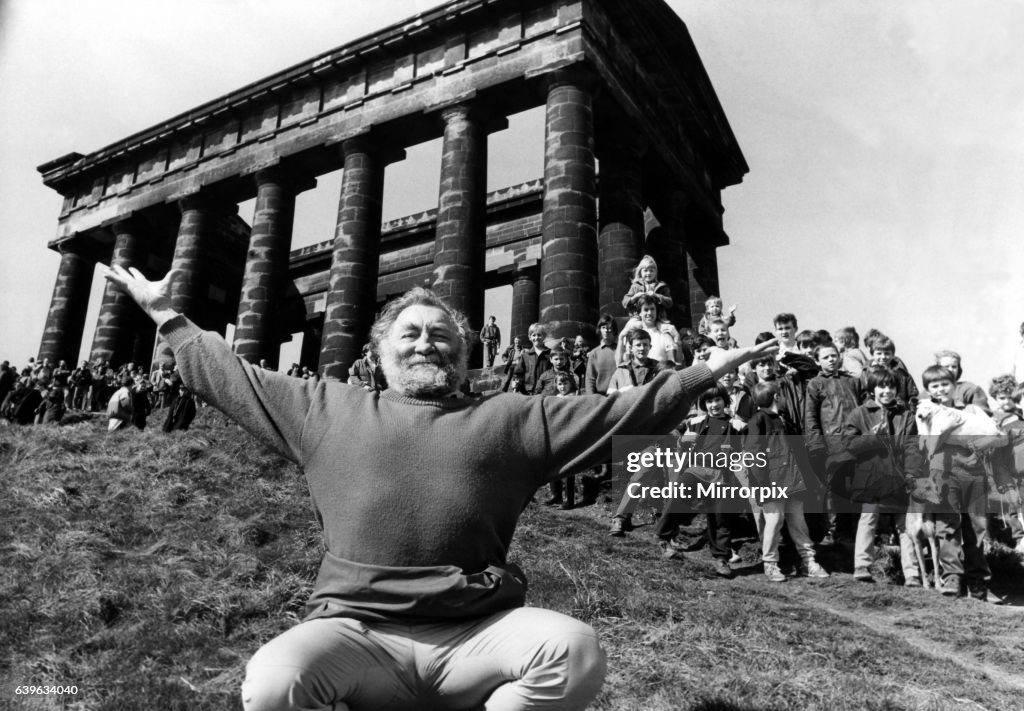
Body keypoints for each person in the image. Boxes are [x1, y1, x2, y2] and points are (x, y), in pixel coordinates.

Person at [104, 263, 776, 711]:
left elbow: (617, 413)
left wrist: (701, 373)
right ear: (378, 352)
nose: (427, 344)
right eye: (411, 333)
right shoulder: (324, 409)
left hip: (475, 636)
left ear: (463, 354)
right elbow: (231, 377)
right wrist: (168, 317)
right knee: (274, 679)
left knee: (573, 650)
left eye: (442, 336)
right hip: (356, 633)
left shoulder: (510, 417)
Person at [920, 364, 1004, 600]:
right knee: (947, 524)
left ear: (955, 385)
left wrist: (976, 444)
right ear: (928, 390)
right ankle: (952, 576)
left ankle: (978, 580)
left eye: (945, 384)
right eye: (934, 386)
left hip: (973, 471)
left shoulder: (971, 410)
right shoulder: (927, 410)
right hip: (943, 470)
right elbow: (925, 443)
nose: (941, 389)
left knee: (977, 526)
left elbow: (994, 436)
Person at [840, 369, 925, 584]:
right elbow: (849, 445)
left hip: (898, 477)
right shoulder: (859, 414)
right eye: (882, 387)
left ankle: (912, 572)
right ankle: (862, 566)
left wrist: (912, 475)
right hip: (872, 477)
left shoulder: (906, 416)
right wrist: (872, 438)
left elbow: (912, 448)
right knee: (868, 519)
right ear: (872, 389)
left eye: (891, 387)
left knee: (904, 525)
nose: (887, 391)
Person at [745, 381, 829, 582]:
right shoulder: (758, 421)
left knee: (798, 521)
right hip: (771, 482)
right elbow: (753, 453)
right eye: (781, 395)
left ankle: (808, 561)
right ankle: (770, 564)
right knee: (774, 521)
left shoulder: (786, 421)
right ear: (776, 397)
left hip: (793, 481)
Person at [934, 350, 991, 415]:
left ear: (959, 369)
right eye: (946, 367)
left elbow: (984, 416)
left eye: (954, 366)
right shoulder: (929, 392)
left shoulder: (970, 389)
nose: (950, 369)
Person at [502, 323, 551, 394]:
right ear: (529, 337)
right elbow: (518, 373)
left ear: (544, 336)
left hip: (545, 392)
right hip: (528, 392)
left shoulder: (550, 353)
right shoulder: (525, 356)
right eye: (533, 335)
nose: (536, 338)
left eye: (539, 335)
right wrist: (517, 383)